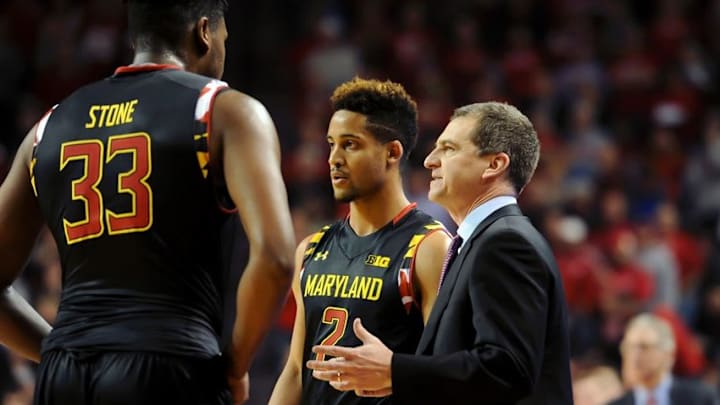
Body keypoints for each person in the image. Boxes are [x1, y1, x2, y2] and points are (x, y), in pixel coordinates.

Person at [0, 1, 296, 404]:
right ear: (204, 32)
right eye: (225, 37)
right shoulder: (225, 110)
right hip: (171, 363)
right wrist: (235, 365)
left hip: (65, 372)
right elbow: (276, 258)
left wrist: (56, 350)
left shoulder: (49, 124)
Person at [308, 101, 573, 404]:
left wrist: (396, 370)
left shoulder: (506, 243)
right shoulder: (482, 241)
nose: (430, 161)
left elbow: (507, 369)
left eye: (448, 149)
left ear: (494, 165)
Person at [269, 77, 451, 405]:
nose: (333, 158)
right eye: (331, 144)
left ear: (392, 152)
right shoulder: (311, 249)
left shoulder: (429, 247)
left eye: (350, 144)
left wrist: (396, 373)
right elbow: (297, 370)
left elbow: (448, 375)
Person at [608, 313, 718, 405]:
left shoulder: (701, 398)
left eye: (644, 347)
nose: (635, 356)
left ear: (667, 353)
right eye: (629, 348)